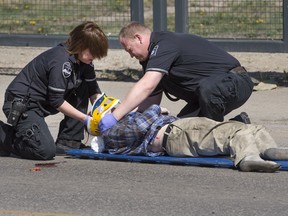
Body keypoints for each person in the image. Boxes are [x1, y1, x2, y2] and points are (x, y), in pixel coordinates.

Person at [98, 21, 254, 134]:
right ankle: (238, 126)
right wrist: (127, 114)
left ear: (138, 38)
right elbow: (151, 101)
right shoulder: (150, 60)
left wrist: (114, 116)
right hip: (207, 95)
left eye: (130, 50)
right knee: (177, 131)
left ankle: (219, 134)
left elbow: (146, 85)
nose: (131, 55)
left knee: (208, 92)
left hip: (235, 82)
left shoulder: (164, 44)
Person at [0, 21, 108, 160]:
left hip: (42, 104)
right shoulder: (61, 60)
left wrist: (102, 111)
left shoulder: (83, 61)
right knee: (45, 151)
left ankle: (69, 141)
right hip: (23, 105)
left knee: (83, 85)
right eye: (93, 52)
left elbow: (93, 90)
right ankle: (5, 137)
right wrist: (86, 119)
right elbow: (56, 100)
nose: (95, 57)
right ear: (81, 46)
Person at [95, 101, 288, 173]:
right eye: (114, 108)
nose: (119, 109)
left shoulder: (118, 127)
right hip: (177, 134)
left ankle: (269, 151)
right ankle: (248, 158)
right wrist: (157, 109)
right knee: (235, 132)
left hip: (181, 130)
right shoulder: (112, 133)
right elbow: (139, 127)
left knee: (252, 129)